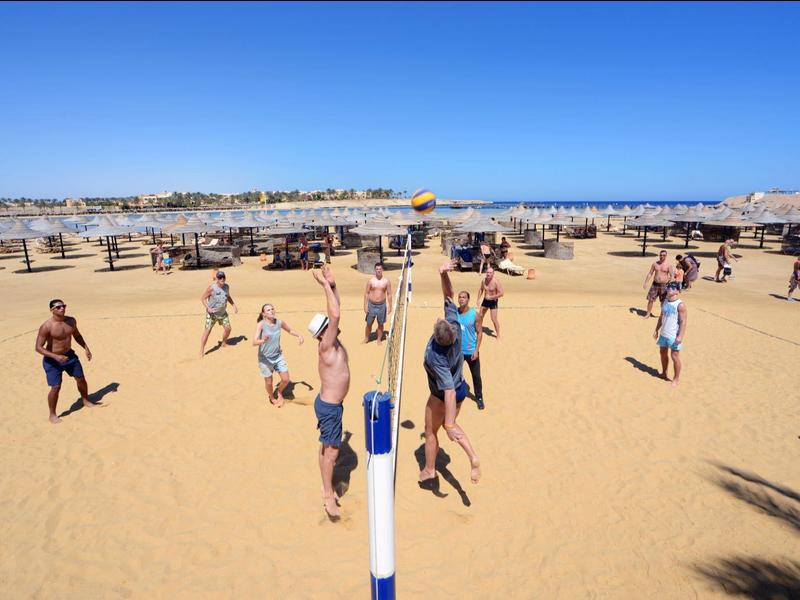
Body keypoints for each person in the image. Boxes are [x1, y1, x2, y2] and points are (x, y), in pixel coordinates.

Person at [419, 260, 481, 488]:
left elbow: (448, 392)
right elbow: (449, 295)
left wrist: (450, 421)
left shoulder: (437, 357)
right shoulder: (454, 327)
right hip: (461, 388)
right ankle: (472, 455)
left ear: (437, 334)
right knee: (448, 428)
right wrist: (443, 273)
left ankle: (429, 469)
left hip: (444, 394)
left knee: (431, 431)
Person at [309, 266, 350, 521]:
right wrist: (323, 284)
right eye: (329, 326)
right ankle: (327, 494)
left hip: (330, 405)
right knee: (332, 452)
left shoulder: (332, 342)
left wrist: (333, 286)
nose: (333, 325)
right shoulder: (326, 346)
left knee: (327, 447)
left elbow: (336, 312)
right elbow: (335, 316)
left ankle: (327, 486)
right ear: (324, 332)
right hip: (330, 407)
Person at [35, 299, 94, 424]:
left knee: (81, 378)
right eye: (58, 307)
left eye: (63, 306)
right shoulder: (47, 326)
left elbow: (77, 335)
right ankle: (52, 414)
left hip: (69, 356)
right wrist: (56, 357)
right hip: (52, 360)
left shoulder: (71, 321)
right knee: (56, 387)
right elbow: (38, 347)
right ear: (52, 310)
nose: (62, 308)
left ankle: (85, 400)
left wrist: (86, 347)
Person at [253, 303, 304, 407]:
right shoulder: (261, 324)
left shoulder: (279, 323)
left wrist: (299, 335)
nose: (271, 311)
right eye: (268, 310)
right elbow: (254, 342)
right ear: (264, 314)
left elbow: (290, 330)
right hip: (265, 359)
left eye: (272, 309)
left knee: (286, 379)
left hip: (278, 356)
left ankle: (279, 392)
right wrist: (263, 340)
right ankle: (271, 397)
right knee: (269, 382)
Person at [653, 282, 687, 388]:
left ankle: (676, 379)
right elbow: (661, 316)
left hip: (673, 335)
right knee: (663, 353)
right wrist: (656, 329)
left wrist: (680, 336)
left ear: (677, 290)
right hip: (664, 333)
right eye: (668, 287)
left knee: (675, 356)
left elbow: (683, 322)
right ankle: (664, 373)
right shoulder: (665, 301)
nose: (670, 289)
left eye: (673, 287)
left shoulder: (680, 305)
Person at [200, 271, 238, 357]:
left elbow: (228, 296)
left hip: (222, 313)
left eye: (223, 277)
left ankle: (223, 343)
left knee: (228, 329)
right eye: (220, 277)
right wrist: (208, 308)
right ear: (216, 279)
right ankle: (201, 349)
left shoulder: (226, 287)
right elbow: (203, 298)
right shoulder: (212, 288)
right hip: (212, 315)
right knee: (207, 332)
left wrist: (234, 305)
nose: (222, 279)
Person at [457, 290, 484, 410]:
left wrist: (476, 350)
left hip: (471, 351)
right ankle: (455, 396)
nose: (461, 299)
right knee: (455, 375)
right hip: (458, 352)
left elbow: (479, 333)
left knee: (476, 376)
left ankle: (479, 398)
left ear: (468, 300)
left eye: (464, 297)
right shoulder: (455, 313)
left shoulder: (475, 314)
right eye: (459, 297)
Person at [363, 262, 392, 346]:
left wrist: (390, 306)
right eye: (377, 269)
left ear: (382, 270)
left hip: (382, 305)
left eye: (380, 269)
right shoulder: (371, 281)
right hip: (371, 305)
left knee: (380, 324)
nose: (378, 271)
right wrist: (365, 305)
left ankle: (379, 339)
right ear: (375, 270)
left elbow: (389, 294)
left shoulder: (386, 281)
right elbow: (366, 293)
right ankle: (366, 338)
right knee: (369, 323)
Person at [642, 250, 674, 318]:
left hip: (664, 285)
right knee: (650, 299)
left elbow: (672, 275)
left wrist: (670, 285)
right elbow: (650, 273)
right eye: (661, 255)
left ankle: (662, 315)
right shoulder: (655, 264)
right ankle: (648, 313)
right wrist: (646, 282)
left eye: (664, 255)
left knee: (663, 301)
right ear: (659, 255)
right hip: (655, 284)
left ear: (666, 256)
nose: (662, 256)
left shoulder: (668, 265)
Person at [476, 267, 504, 340]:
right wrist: (478, 299)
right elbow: (481, 289)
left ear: (493, 274)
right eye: (487, 272)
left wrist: (491, 297)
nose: (488, 274)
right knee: (480, 316)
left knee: (494, 319)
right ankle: (479, 330)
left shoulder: (496, 282)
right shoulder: (484, 281)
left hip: (493, 301)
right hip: (485, 301)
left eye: (490, 273)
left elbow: (501, 293)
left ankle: (498, 334)